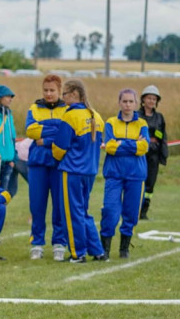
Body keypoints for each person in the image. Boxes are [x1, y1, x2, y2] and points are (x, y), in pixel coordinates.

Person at [51, 79, 107, 264]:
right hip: (89, 171)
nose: (62, 97)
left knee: (72, 212)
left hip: (72, 170)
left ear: (74, 94)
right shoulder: (96, 116)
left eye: (64, 94)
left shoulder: (70, 116)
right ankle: (97, 251)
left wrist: (56, 156)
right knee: (83, 211)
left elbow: (60, 147)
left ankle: (78, 253)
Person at [100, 89, 148, 259]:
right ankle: (104, 249)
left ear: (135, 104)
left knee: (131, 213)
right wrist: (133, 144)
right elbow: (110, 147)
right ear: (119, 103)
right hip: (114, 174)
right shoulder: (111, 123)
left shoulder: (142, 124)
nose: (127, 105)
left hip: (136, 175)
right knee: (110, 211)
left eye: (130, 102)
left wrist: (121, 144)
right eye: (124, 101)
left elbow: (144, 148)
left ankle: (124, 249)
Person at [25, 74, 68, 260]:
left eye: (52, 90)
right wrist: (55, 130)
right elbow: (30, 131)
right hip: (37, 163)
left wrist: (46, 137)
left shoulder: (68, 109)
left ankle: (59, 243)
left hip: (60, 164)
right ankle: (37, 243)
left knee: (59, 205)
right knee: (37, 205)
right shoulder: (34, 108)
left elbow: (66, 133)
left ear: (60, 91)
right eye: (46, 90)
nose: (48, 94)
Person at [139, 85, 168, 220]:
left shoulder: (159, 118)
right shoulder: (136, 116)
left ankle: (144, 211)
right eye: (149, 98)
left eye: (154, 99)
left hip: (153, 155)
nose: (151, 101)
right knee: (138, 182)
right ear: (143, 100)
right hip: (139, 154)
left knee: (150, 184)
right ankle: (134, 209)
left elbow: (162, 136)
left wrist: (163, 154)